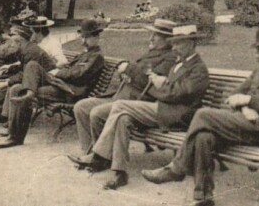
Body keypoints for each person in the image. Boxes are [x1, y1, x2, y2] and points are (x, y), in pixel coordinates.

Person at [142, 23, 259, 206]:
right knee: (203, 136)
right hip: (243, 125)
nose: (256, 55)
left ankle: (177, 168)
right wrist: (245, 108)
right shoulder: (258, 72)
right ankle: (203, 196)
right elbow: (232, 95)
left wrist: (249, 100)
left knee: (203, 114)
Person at [69, 24, 209, 191]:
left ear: (192, 43)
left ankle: (98, 156)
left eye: (179, 43)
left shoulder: (198, 68)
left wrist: (157, 85)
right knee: (122, 118)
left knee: (120, 106)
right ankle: (119, 172)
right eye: (174, 43)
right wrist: (159, 82)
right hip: (164, 108)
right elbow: (171, 89)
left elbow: (175, 94)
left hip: (177, 114)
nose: (175, 47)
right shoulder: (180, 63)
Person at [71, 19, 180, 156]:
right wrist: (126, 72)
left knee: (97, 113)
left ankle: (101, 156)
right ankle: (88, 151)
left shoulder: (170, 58)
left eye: (155, 35)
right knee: (81, 107)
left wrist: (128, 69)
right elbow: (141, 72)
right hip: (118, 97)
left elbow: (151, 82)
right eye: (151, 34)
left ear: (168, 40)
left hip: (135, 104)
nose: (150, 38)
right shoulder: (153, 53)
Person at [0, 18, 107, 149]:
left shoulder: (97, 57)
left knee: (21, 87)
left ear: (96, 37)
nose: (83, 41)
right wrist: (60, 70)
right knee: (24, 76)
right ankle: (14, 131)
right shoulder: (85, 54)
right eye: (82, 37)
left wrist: (57, 72)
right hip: (60, 85)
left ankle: (16, 136)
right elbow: (70, 69)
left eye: (87, 37)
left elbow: (79, 75)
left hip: (69, 92)